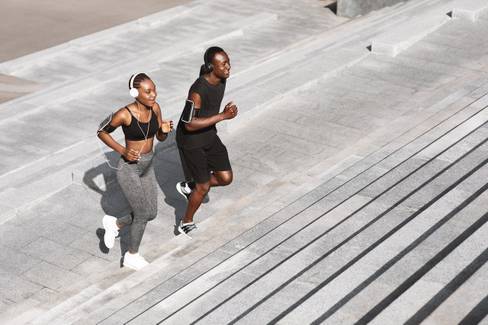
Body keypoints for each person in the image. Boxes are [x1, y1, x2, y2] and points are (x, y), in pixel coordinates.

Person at [97, 72, 173, 270]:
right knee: (141, 212)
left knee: (152, 213)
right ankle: (132, 255)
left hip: (148, 164)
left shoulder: (155, 108)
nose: (153, 95)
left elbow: (159, 138)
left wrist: (163, 132)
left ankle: (116, 225)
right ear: (134, 92)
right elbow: (101, 131)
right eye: (147, 91)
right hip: (128, 168)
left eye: (154, 89)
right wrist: (122, 150)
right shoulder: (124, 114)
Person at [175, 46, 238, 238]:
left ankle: (189, 187)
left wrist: (221, 114)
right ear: (212, 67)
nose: (228, 67)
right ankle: (185, 222)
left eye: (228, 61)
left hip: (209, 135)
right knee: (203, 186)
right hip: (191, 141)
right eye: (223, 64)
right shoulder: (197, 90)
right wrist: (222, 116)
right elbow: (189, 124)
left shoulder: (222, 78)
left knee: (225, 178)